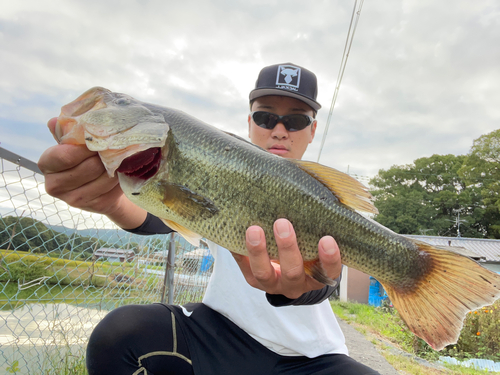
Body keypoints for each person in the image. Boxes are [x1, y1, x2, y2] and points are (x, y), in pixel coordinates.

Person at [39, 63, 379, 375]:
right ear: (249, 122)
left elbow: (323, 281)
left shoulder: (321, 197)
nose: (278, 130)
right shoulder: (213, 169)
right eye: (265, 118)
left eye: (296, 120)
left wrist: (299, 288)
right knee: (119, 335)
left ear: (313, 130)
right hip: (221, 335)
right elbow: (156, 215)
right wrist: (112, 200)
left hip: (313, 357)